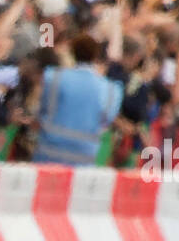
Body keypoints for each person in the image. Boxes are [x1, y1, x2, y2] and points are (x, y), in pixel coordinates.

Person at [32, 32, 123, 165]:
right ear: (95, 56)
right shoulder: (112, 89)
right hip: (84, 157)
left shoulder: (53, 77)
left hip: (48, 152)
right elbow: (105, 123)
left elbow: (42, 110)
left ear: (72, 52)